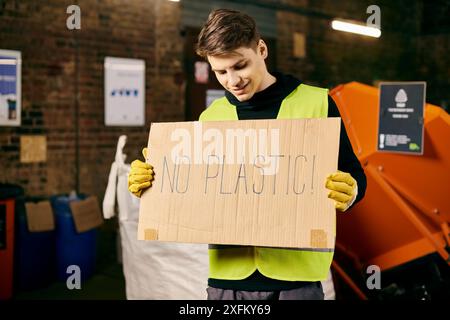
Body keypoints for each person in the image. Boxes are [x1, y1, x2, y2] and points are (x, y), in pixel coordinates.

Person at [128, 9, 366, 300]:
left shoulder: (316, 103)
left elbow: (354, 173)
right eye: (221, 72)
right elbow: (195, 193)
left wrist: (352, 191)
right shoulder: (210, 118)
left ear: (261, 50)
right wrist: (155, 184)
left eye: (240, 66)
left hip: (296, 281)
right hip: (227, 280)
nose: (232, 80)